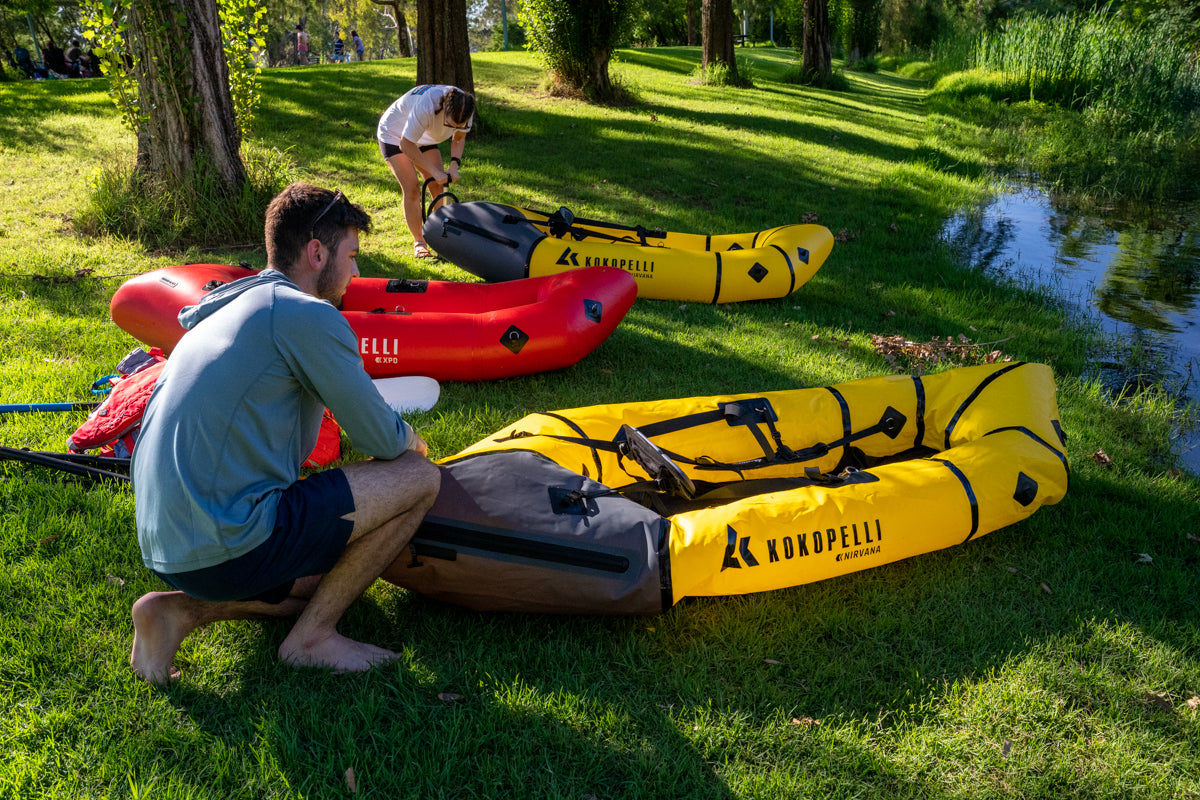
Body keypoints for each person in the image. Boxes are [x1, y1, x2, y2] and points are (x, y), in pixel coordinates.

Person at [128, 183, 442, 685]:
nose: (357, 272)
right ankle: (313, 638)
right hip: (227, 536)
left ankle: (177, 613)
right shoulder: (306, 315)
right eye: (352, 255)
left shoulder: (235, 306)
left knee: (319, 578)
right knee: (420, 478)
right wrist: (415, 447)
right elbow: (383, 440)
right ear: (317, 252)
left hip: (166, 543)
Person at [377, 85, 476, 259]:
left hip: (423, 137)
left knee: (438, 186)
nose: (453, 128)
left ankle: (441, 236)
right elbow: (406, 144)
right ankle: (419, 243)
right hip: (394, 135)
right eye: (449, 125)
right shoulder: (427, 105)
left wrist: (454, 165)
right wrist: (434, 171)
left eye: (457, 125)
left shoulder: (465, 107)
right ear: (444, 107)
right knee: (412, 188)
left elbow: (459, 138)